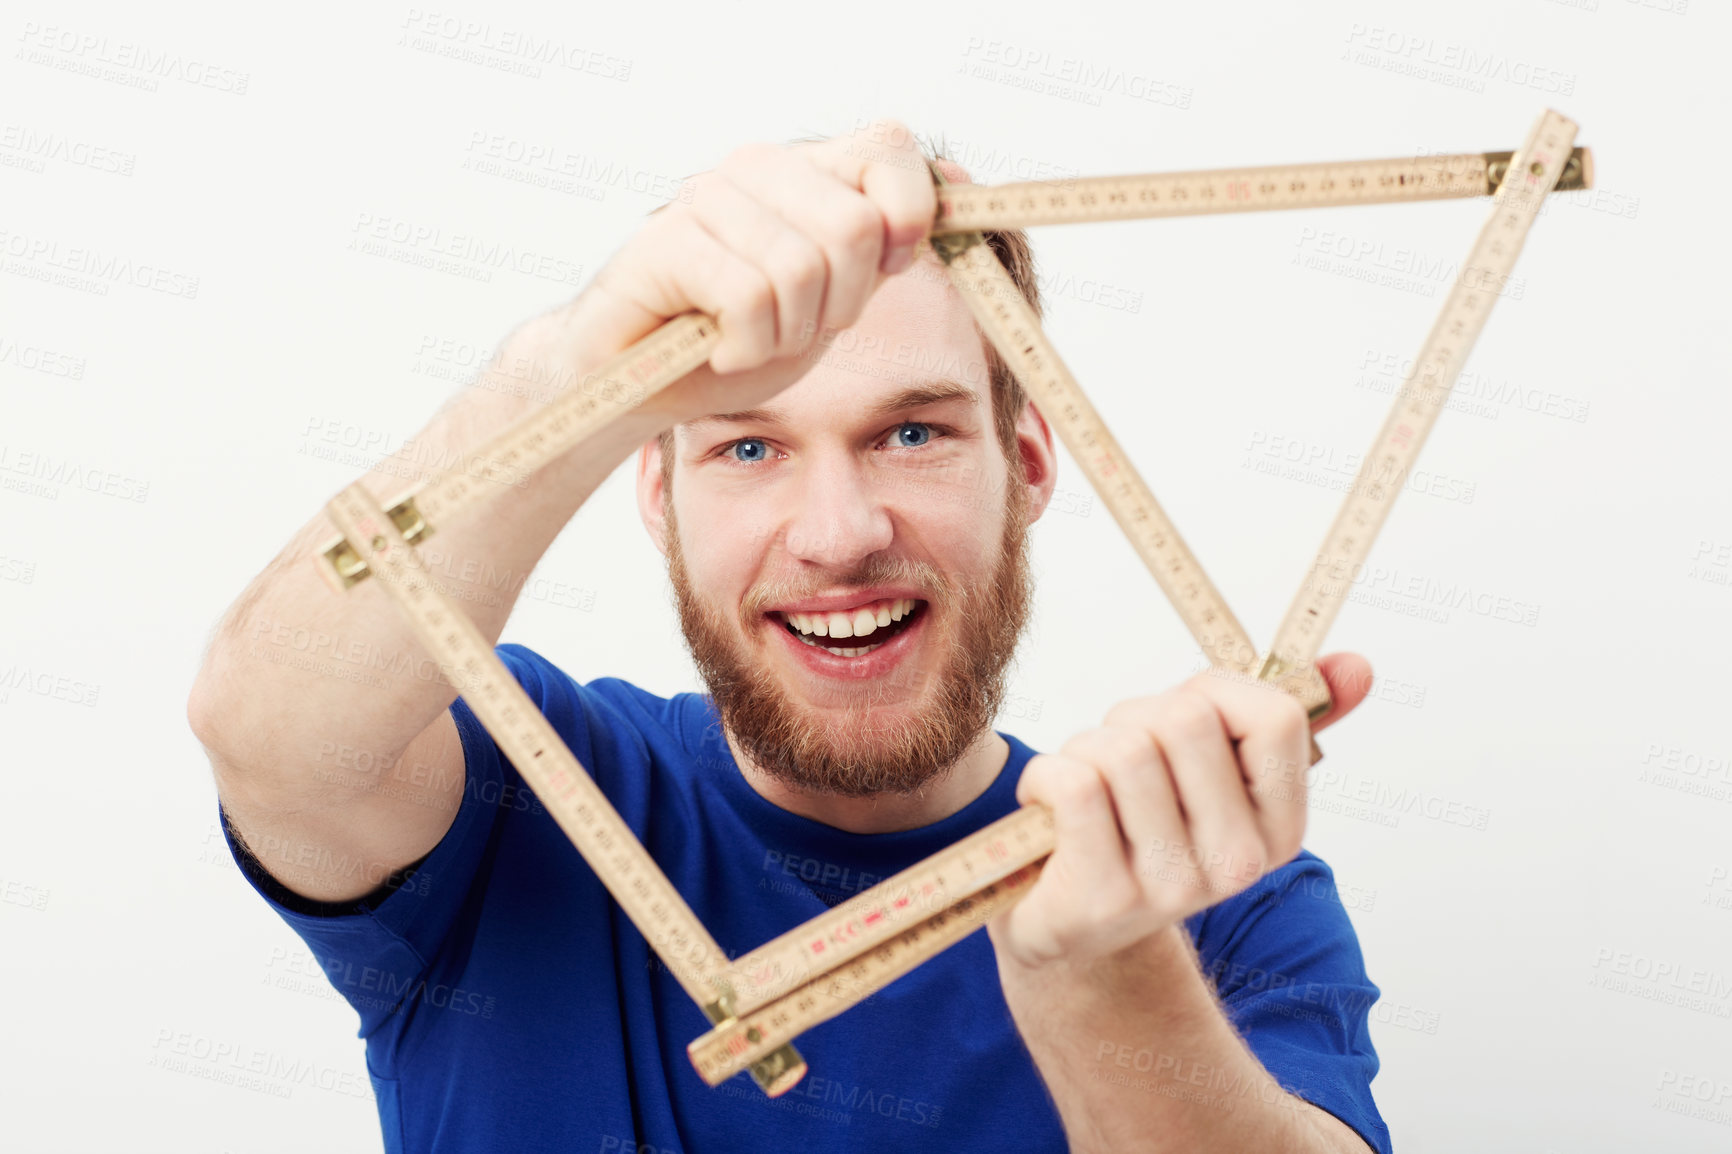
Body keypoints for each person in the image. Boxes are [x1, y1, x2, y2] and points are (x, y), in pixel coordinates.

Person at [187, 119, 1390, 1154]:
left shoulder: (1214, 887)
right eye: (746, 446)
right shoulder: (525, 798)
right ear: (658, 494)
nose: (839, 532)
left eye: (911, 434)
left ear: (1024, 469)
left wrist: (1100, 977)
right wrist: (567, 372)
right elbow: (266, 732)